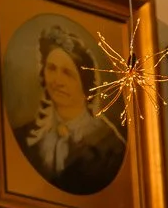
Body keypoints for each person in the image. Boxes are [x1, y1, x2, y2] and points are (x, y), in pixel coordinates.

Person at [12, 19, 126, 194]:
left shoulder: (109, 147)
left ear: (85, 85)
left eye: (67, 73)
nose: (57, 81)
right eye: (51, 69)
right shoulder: (25, 135)